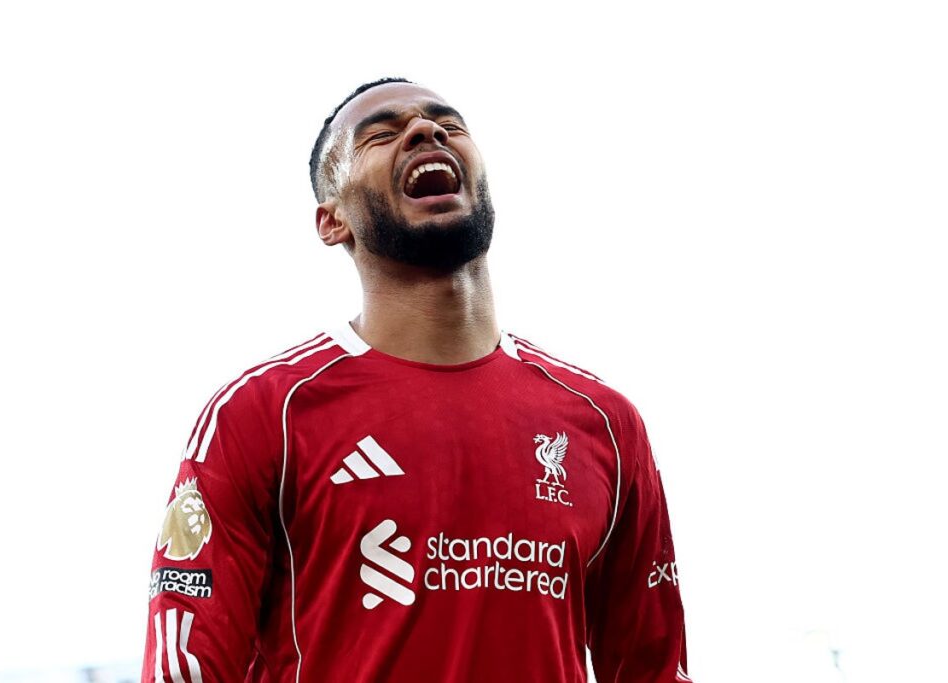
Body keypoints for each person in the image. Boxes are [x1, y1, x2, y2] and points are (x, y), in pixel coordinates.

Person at [142, 77, 693, 683]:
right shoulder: (260, 413)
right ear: (332, 221)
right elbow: (185, 661)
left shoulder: (603, 422)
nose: (425, 132)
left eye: (448, 124)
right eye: (381, 133)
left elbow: (654, 666)